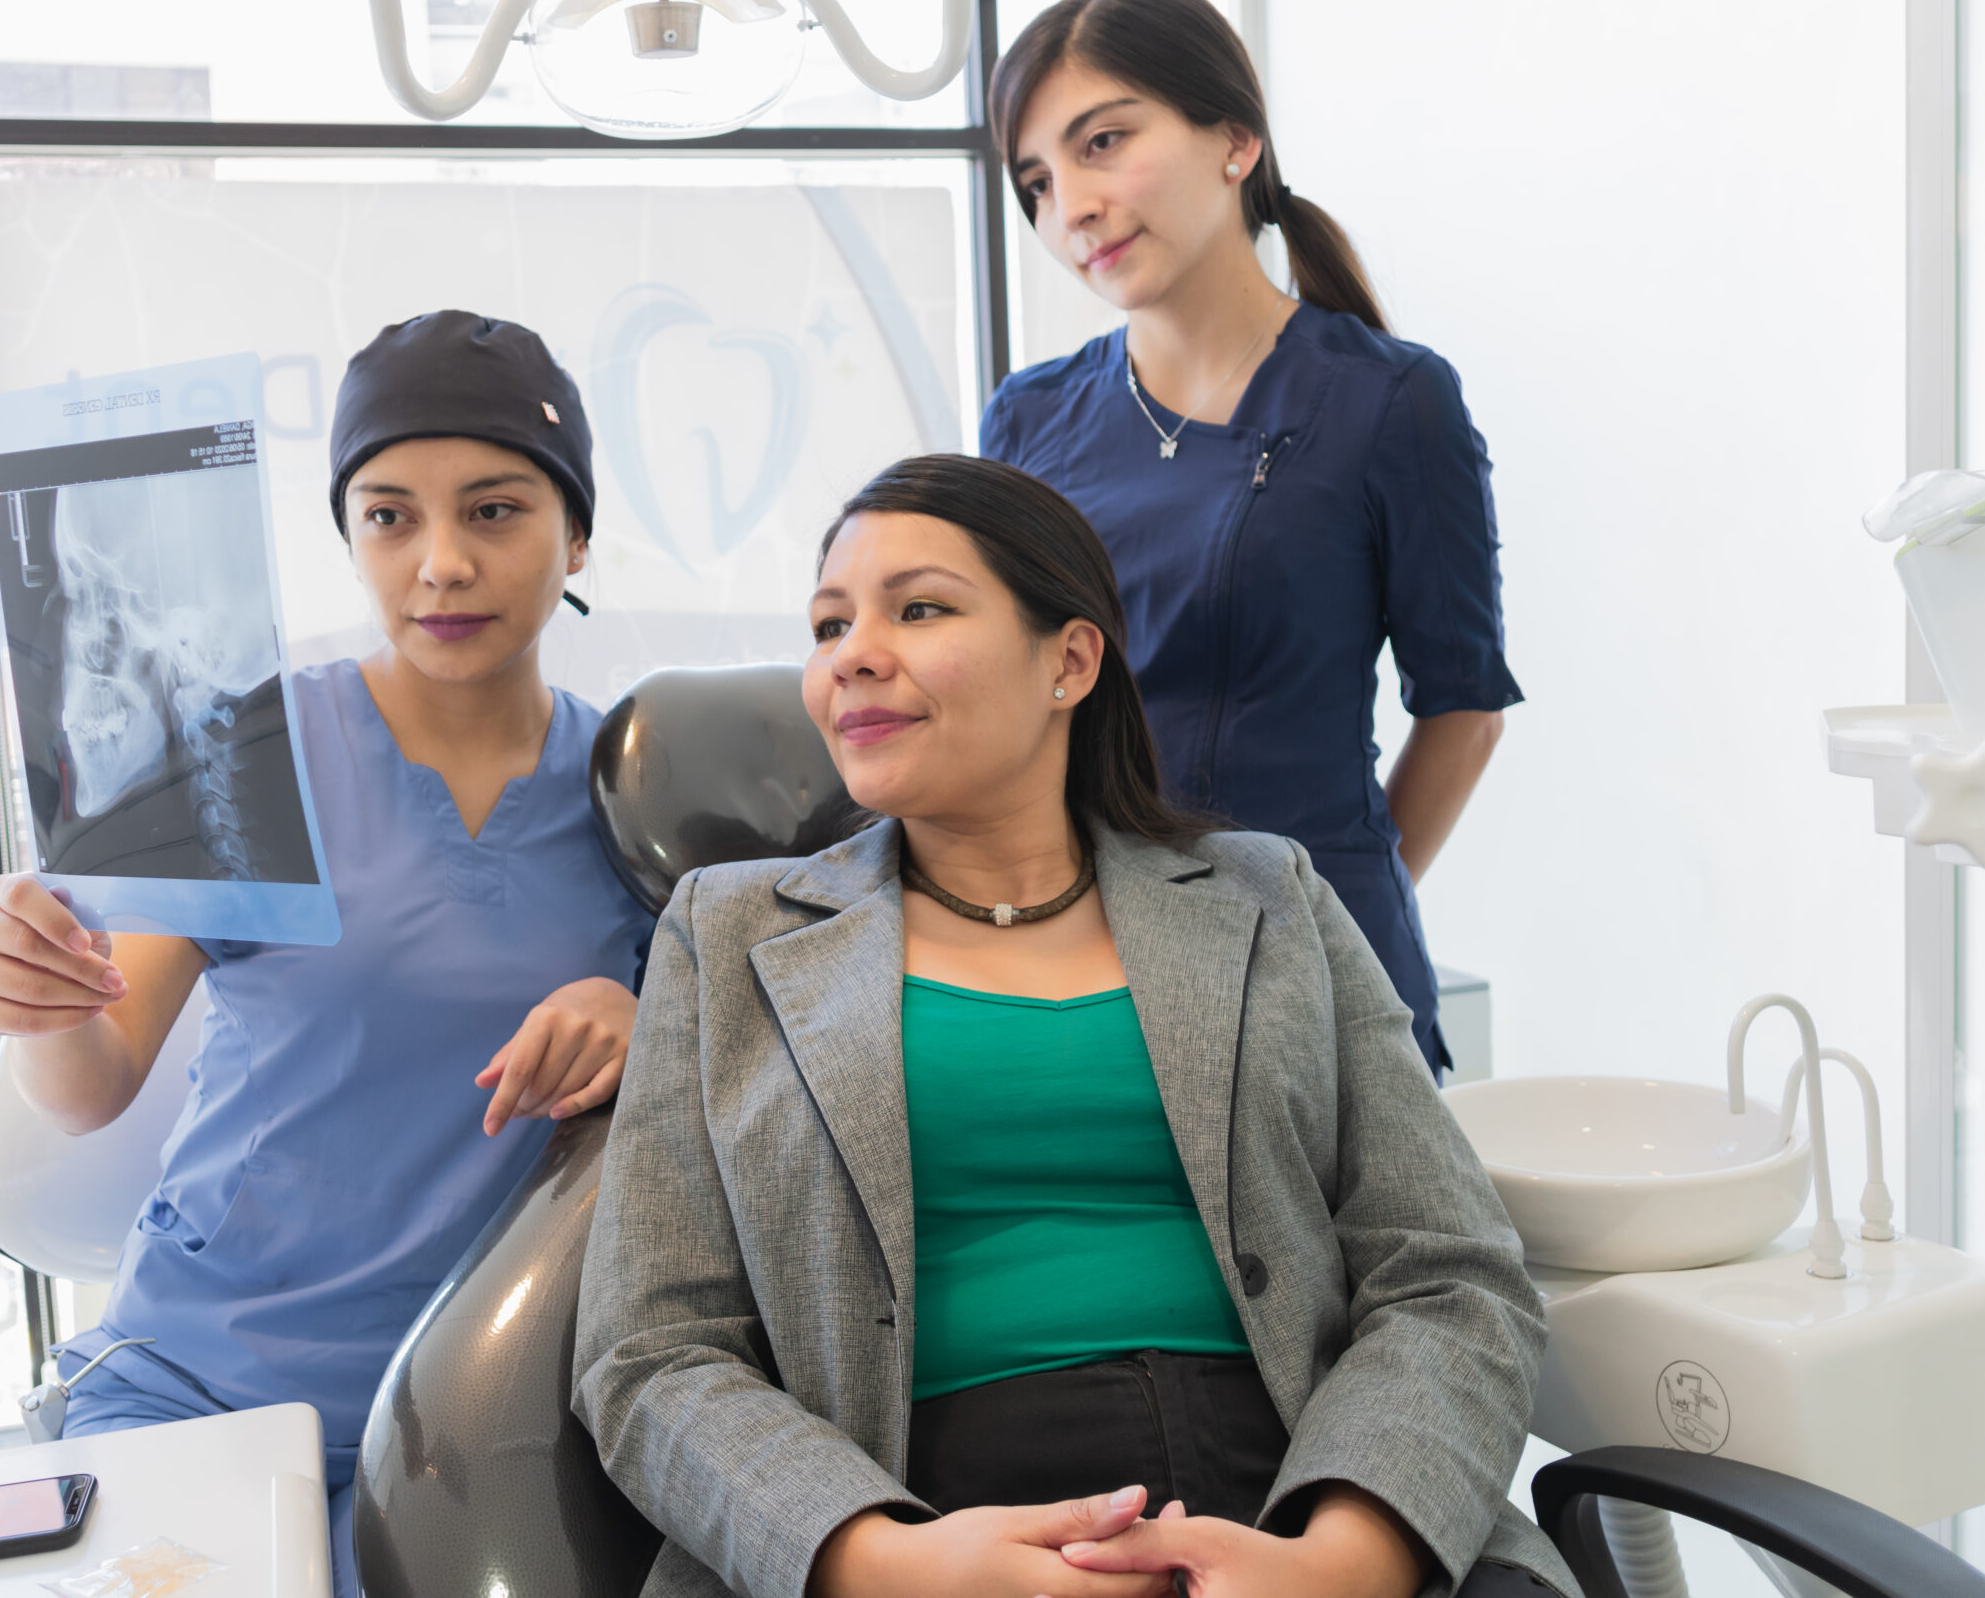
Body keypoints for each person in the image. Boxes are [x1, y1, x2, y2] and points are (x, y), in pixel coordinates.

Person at [572, 455, 1573, 1598]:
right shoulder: (727, 934)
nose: (851, 653)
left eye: (918, 608)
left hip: (1302, 1491)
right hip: (917, 1517)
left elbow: (1449, 1272)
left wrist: (1343, 1561)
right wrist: (882, 1561)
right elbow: (651, 1352)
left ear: (1071, 660)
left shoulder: (1269, 898)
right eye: (829, 624)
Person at [0, 311, 657, 1598]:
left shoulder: (643, 798)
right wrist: (35, 1000)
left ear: (577, 536)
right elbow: (94, 1082)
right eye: (389, 517)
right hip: (208, 1381)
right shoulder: (241, 752)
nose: (441, 563)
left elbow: (735, 1105)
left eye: (494, 511)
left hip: (480, 1422)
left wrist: (649, 1024)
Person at [979, 0, 1521, 1074]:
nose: (1069, 207)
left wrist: (1320, 909)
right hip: (1080, 976)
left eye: (1103, 143)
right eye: (1035, 182)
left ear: (1235, 139)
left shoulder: (1389, 401)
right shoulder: (1027, 420)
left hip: (1314, 982)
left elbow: (1463, 710)